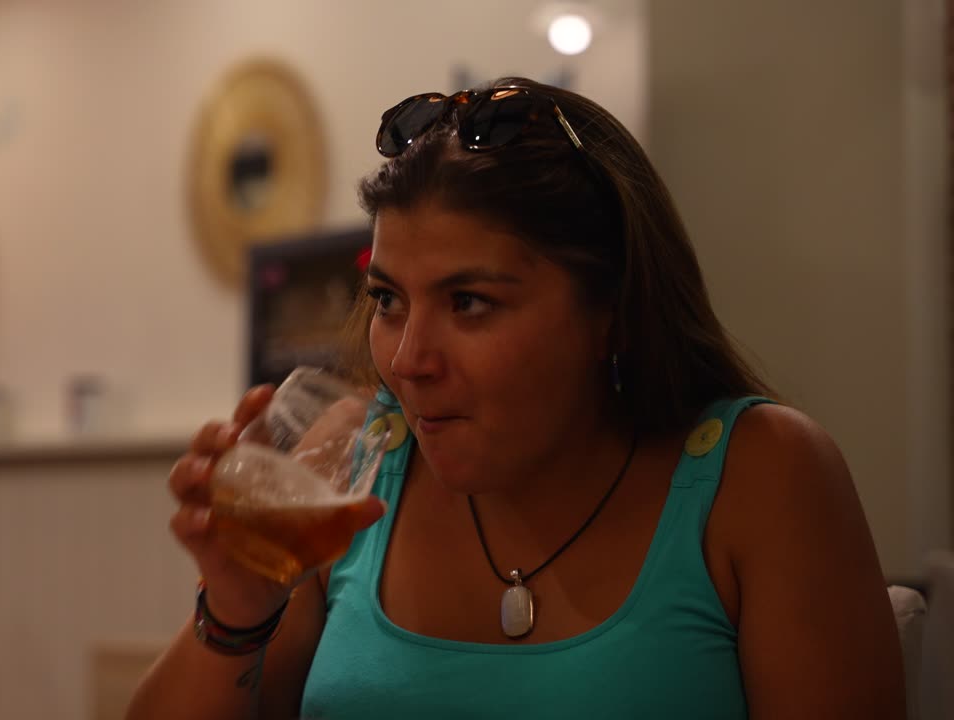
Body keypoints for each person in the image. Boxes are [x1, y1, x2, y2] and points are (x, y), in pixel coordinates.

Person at [127, 77, 905, 719]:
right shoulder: (357, 456)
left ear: (612, 311)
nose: (406, 359)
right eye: (389, 299)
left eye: (469, 303)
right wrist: (235, 611)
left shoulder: (760, 476)